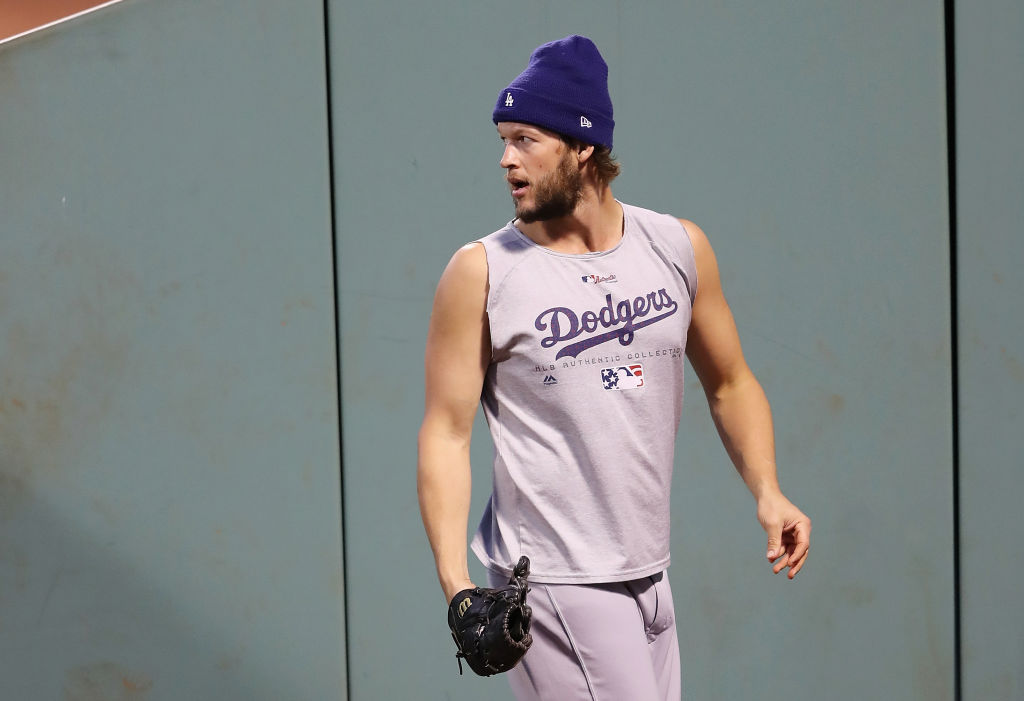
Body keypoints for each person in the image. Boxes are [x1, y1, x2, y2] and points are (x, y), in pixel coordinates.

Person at [417, 35, 810, 700]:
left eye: (525, 139)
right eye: (502, 139)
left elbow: (732, 381)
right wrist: (457, 584)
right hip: (556, 581)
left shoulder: (676, 247)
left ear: (584, 145)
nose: (505, 160)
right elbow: (446, 432)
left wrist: (768, 489)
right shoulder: (481, 272)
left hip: (651, 575)